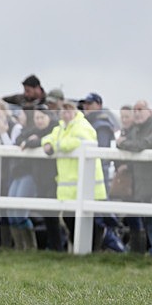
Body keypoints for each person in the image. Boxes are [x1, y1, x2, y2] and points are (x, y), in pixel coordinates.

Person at [41, 101, 107, 250]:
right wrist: (48, 144)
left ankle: (92, 247)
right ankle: (82, 246)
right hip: (69, 184)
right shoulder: (60, 128)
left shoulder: (83, 125)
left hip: (86, 182)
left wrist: (56, 146)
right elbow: (48, 138)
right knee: (68, 217)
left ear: (75, 112)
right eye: (63, 111)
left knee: (87, 219)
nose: (66, 114)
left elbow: (79, 141)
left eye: (69, 111)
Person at [81, 92, 125, 252]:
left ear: (98, 105)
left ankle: (118, 247)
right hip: (92, 174)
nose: (86, 107)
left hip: (100, 176)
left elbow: (102, 155)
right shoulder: (89, 123)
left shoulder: (102, 124)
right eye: (85, 104)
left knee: (100, 215)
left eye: (90, 104)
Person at [18, 106, 63, 251]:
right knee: (47, 214)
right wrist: (30, 139)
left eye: (42, 117)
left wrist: (33, 142)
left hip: (54, 177)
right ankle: (53, 245)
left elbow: (48, 142)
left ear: (49, 117)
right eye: (36, 118)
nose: (39, 121)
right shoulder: (35, 130)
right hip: (41, 178)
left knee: (54, 214)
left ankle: (57, 246)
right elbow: (19, 138)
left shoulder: (55, 129)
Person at [116, 100, 152, 254]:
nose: (137, 113)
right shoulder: (136, 129)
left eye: (141, 109)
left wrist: (123, 144)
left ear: (149, 111)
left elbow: (142, 145)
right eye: (135, 110)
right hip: (141, 183)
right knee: (147, 220)